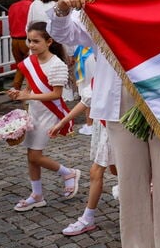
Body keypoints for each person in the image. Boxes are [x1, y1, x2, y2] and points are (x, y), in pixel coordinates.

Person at [50, 0, 160, 247]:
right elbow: (64, 34)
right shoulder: (106, 7)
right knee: (131, 184)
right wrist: (61, 8)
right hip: (121, 103)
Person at [8, 22, 80, 212]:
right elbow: (29, 88)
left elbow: (56, 94)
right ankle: (37, 195)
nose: (31, 45)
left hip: (50, 113)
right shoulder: (30, 61)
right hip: (34, 112)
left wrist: (29, 96)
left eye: (36, 41)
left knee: (35, 155)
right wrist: (19, 93)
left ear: (49, 41)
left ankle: (69, 173)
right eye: (29, 40)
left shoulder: (57, 65)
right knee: (31, 156)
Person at [49, 91, 117, 236]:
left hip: (116, 124)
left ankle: (88, 218)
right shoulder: (101, 72)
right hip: (104, 124)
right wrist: (62, 122)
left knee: (97, 170)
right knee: (115, 169)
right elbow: (87, 100)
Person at [8, 0, 37, 90]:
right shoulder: (32, 6)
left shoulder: (13, 6)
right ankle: (29, 89)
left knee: (20, 66)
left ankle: (15, 88)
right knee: (31, 66)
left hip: (14, 40)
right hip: (27, 40)